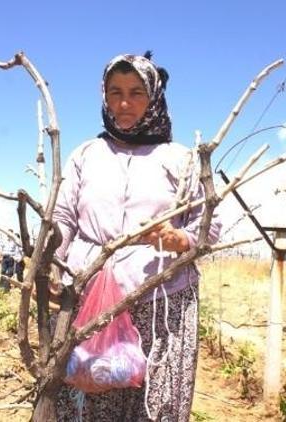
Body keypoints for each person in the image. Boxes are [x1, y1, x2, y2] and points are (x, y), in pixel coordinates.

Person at [53, 53, 220, 421]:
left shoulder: (180, 159)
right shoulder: (87, 154)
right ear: (104, 97)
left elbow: (210, 224)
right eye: (115, 92)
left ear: (155, 97)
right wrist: (53, 265)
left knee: (154, 403)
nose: (124, 103)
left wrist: (180, 239)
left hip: (162, 303)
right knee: (89, 392)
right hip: (88, 295)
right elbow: (63, 216)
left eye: (136, 92)